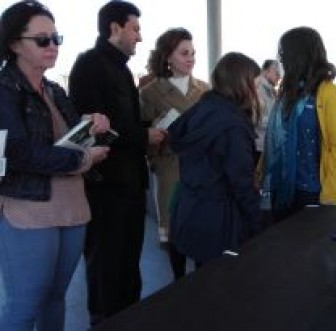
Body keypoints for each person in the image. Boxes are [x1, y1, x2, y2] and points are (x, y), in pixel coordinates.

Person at [0, 1, 110, 329]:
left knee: (56, 298)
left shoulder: (53, 89)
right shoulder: (4, 90)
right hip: (28, 209)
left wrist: (91, 125)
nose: (52, 46)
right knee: (26, 303)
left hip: (72, 206)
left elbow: (73, 137)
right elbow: (18, 152)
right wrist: (81, 159)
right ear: (15, 44)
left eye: (56, 38)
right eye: (42, 40)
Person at [68, 1, 166, 325]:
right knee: (107, 266)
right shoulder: (89, 65)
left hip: (130, 185)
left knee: (128, 263)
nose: (140, 37)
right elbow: (93, 131)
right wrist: (143, 136)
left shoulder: (121, 68)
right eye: (135, 28)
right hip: (106, 188)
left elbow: (120, 121)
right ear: (115, 28)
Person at [168, 52, 262, 265]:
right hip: (220, 223)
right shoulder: (232, 126)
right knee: (222, 289)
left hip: (189, 211)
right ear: (242, 85)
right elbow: (242, 183)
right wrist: (258, 225)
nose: (257, 92)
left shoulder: (201, 110)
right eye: (254, 85)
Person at [139, 27, 209, 279]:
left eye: (192, 53)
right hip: (170, 169)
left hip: (202, 169)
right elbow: (142, 138)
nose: (190, 58)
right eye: (184, 53)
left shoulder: (205, 89)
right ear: (168, 57)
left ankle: (202, 280)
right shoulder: (149, 93)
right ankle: (178, 281)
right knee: (175, 230)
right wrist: (155, 143)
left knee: (202, 228)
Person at [262, 26, 336, 220]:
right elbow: (273, 139)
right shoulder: (287, 93)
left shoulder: (329, 93)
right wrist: (260, 174)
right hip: (282, 187)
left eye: (284, 53)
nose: (281, 59)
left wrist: (328, 195)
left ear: (300, 55)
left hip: (314, 193)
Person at [254, 59, 281, 163]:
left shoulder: (271, 91)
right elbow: (256, 119)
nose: (279, 77)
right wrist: (277, 121)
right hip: (258, 145)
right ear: (266, 71)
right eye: (276, 73)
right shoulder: (257, 89)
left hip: (266, 144)